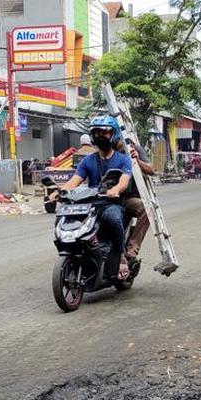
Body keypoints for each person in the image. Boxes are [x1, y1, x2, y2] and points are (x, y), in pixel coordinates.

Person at [53, 115, 134, 279]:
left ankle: (121, 257)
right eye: (96, 133)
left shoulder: (123, 160)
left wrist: (116, 189)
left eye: (104, 133)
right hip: (89, 204)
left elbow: (124, 181)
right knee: (61, 219)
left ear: (113, 135)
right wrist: (59, 192)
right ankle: (73, 254)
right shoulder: (87, 161)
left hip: (110, 203)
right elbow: (74, 181)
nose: (100, 137)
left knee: (114, 218)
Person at [116, 136, 156, 262]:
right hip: (109, 199)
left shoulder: (135, 149)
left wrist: (137, 160)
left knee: (147, 208)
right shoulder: (104, 151)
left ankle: (132, 247)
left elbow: (151, 169)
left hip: (128, 198)